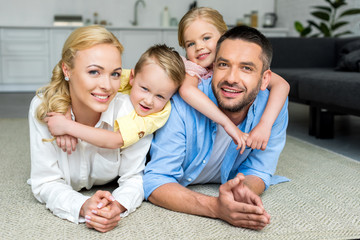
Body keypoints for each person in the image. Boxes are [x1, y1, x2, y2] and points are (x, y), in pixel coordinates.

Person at [27, 25, 176, 233]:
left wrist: (117, 205)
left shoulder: (131, 111)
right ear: (66, 70)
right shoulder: (43, 109)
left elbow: (135, 178)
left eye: (115, 74)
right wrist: (83, 205)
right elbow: (45, 182)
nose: (107, 85)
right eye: (94, 72)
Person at [143, 25, 289, 230]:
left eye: (246, 68)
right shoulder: (182, 103)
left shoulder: (271, 107)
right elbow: (156, 180)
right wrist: (216, 207)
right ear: (212, 67)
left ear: (265, 79)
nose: (231, 78)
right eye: (223, 65)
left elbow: (259, 169)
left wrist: (243, 190)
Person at [177, 7, 289, 153]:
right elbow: (186, 90)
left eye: (206, 38)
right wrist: (227, 123)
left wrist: (264, 124)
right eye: (190, 44)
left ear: (224, 36)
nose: (199, 47)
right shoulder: (193, 69)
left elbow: (282, 85)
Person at [45, 44, 185, 154]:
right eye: (144, 89)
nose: (148, 101)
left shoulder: (159, 114)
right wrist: (65, 112)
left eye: (160, 96)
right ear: (132, 77)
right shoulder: (118, 76)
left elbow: (116, 140)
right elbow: (70, 83)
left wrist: (67, 127)